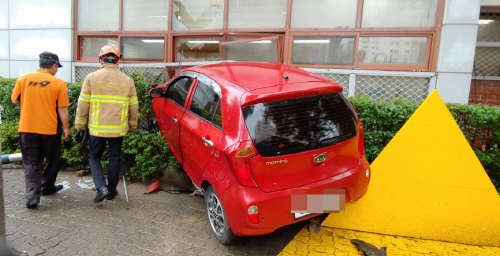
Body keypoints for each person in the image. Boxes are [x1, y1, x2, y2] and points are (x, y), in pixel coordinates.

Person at [74, 45, 139, 203]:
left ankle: (100, 187)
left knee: (94, 157)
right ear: (118, 60)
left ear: (100, 60)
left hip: (96, 129)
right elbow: (134, 108)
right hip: (118, 129)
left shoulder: (91, 78)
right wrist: (132, 126)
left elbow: (82, 105)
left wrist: (80, 126)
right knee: (114, 158)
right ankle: (110, 191)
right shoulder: (127, 80)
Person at [10, 51, 71, 209]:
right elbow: (62, 109)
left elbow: (14, 99)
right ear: (53, 65)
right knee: (53, 159)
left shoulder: (24, 79)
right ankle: (47, 186)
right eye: (57, 67)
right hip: (50, 130)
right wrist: (66, 128)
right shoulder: (59, 83)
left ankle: (32, 196)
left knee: (31, 162)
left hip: (27, 128)